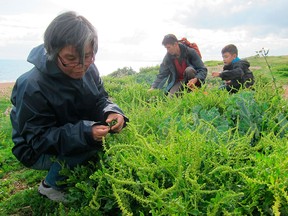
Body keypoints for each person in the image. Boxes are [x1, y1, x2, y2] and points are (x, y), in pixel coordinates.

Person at [10, 11, 129, 202]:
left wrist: (112, 111)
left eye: (88, 56)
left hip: (68, 128)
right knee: (89, 146)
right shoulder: (31, 85)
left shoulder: (89, 67)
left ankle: (71, 163)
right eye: (71, 58)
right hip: (34, 150)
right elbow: (38, 138)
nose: (81, 65)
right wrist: (85, 134)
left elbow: (101, 98)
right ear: (53, 51)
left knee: (97, 143)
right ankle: (49, 186)